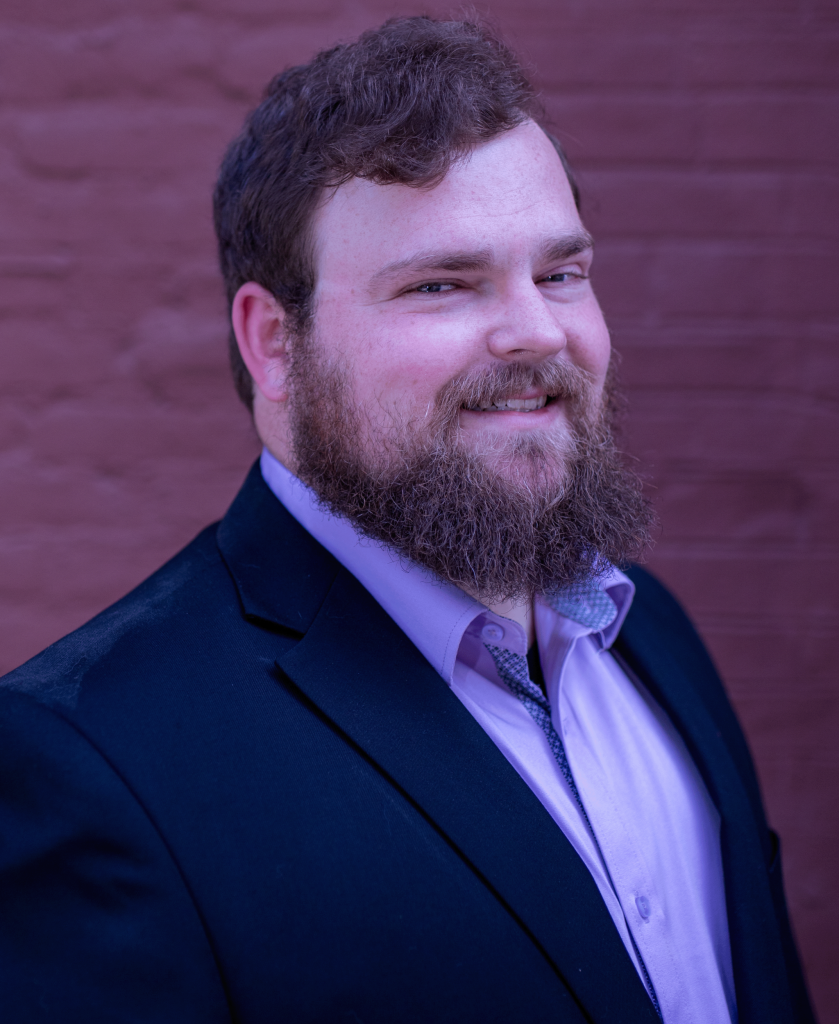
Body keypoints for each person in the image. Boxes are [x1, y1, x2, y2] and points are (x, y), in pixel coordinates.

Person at [0, 16, 814, 1024]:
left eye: (560, 273)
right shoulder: (90, 764)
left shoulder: (651, 638)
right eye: (441, 284)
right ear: (273, 342)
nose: (536, 332)